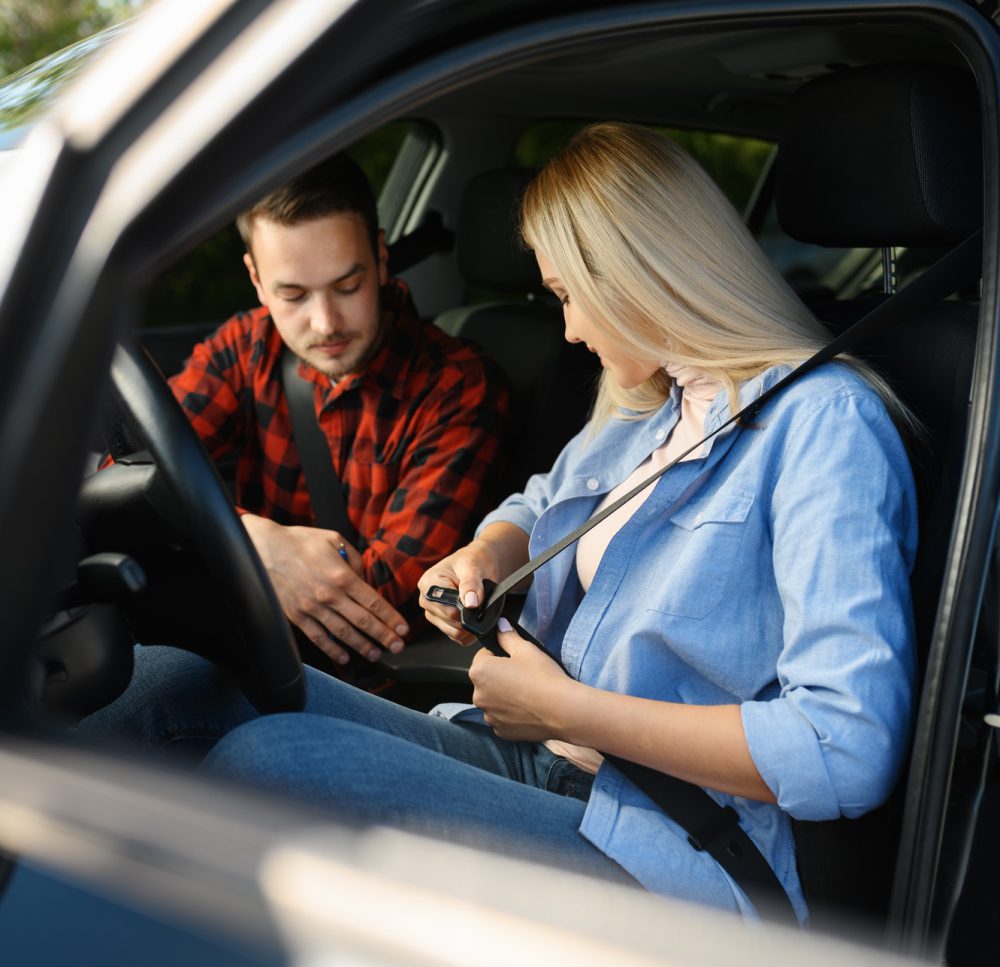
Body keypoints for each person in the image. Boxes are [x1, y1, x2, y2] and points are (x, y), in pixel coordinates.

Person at [94, 124, 918, 921]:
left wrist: (567, 711)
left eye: (569, 296)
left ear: (637, 274)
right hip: (548, 758)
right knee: (164, 680)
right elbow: (534, 504)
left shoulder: (823, 422)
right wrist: (486, 553)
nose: (569, 329)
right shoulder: (646, 405)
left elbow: (844, 747)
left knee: (264, 763)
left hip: (677, 842)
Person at [135, 153, 510, 684]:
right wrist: (253, 542)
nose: (325, 321)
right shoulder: (245, 346)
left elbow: (375, 601)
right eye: (292, 295)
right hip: (242, 651)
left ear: (380, 258)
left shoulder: (459, 385)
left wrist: (213, 543)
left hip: (363, 686)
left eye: (348, 286)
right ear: (257, 280)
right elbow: (131, 468)